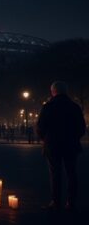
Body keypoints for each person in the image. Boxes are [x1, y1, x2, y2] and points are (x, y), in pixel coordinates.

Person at [36, 81, 86, 211]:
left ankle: (56, 201)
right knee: (71, 173)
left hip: (53, 145)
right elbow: (81, 128)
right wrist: (74, 138)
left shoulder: (48, 107)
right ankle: (71, 202)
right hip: (70, 144)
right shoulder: (75, 107)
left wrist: (45, 139)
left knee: (55, 174)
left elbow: (40, 126)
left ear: (53, 92)